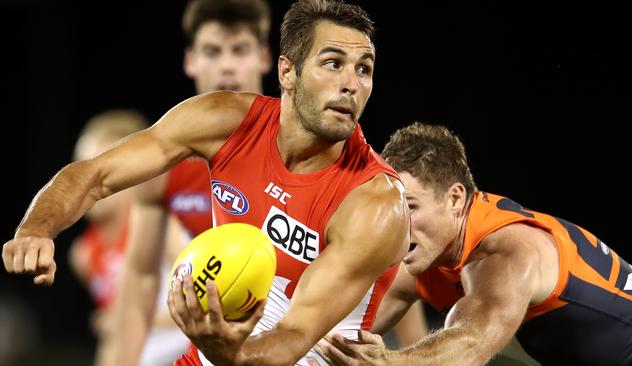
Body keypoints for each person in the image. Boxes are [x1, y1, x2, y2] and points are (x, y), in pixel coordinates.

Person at [1, 1, 411, 366]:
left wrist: (222, 349)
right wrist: (37, 227)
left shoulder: (373, 202)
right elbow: (96, 174)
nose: (351, 84)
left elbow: (292, 341)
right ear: (287, 72)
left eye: (364, 69)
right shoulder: (224, 122)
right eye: (333, 63)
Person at [316, 122, 632, 366]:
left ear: (455, 200)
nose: (396, 221)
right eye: (391, 206)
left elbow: (469, 346)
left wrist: (388, 362)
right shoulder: (425, 250)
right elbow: (331, 334)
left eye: (411, 207)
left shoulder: (506, 253)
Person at [106, 0, 273, 365]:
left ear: (264, 58)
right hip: (210, 336)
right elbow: (140, 279)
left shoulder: (303, 144)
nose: (226, 65)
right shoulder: (165, 163)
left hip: (296, 331)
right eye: (212, 52)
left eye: (239, 50)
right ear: (190, 60)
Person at [67, 109, 150, 366]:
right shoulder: (83, 254)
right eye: (79, 169)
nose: (84, 183)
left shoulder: (160, 225)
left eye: (98, 169)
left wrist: (119, 319)